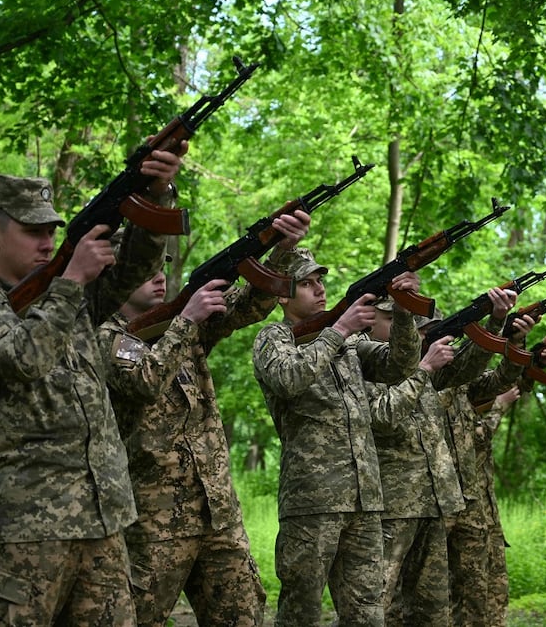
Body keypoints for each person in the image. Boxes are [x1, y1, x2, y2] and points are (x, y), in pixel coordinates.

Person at [0, 149, 185, 626]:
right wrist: (71, 278)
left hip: (103, 520)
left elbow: (136, 267)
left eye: (52, 232)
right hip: (27, 530)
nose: (48, 242)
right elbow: (24, 358)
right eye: (34, 231)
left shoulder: (71, 296)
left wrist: (155, 192)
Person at [98, 211, 310, 626]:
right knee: (137, 618)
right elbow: (144, 382)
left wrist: (282, 252)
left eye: (161, 268)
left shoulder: (183, 323)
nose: (159, 277)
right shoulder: (107, 335)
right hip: (155, 520)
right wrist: (186, 321)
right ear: (116, 275)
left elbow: (250, 304)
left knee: (242, 615)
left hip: (218, 513)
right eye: (146, 270)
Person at [251, 249, 426, 627]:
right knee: (301, 611)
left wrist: (404, 311)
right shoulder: (274, 337)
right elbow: (287, 378)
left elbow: (400, 366)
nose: (320, 289)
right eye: (307, 283)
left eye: (320, 281)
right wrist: (339, 330)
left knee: (367, 612)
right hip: (313, 498)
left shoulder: (349, 343)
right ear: (282, 296)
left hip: (365, 498)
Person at [368, 291, 521, 627]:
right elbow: (383, 417)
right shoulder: (368, 363)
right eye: (395, 320)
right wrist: (423, 368)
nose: (416, 334)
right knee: (379, 603)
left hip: (438, 500)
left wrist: (497, 324)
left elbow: (473, 367)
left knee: (433, 609)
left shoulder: (437, 373)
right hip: (392, 504)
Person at [440, 319, 541, 627]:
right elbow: (478, 438)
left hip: (476, 500)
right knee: (447, 594)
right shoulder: (431, 382)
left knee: (482, 589)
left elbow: (503, 380)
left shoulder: (462, 385)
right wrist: (498, 407)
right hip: (446, 501)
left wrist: (522, 349)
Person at [473, 339, 546, 627]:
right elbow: (476, 439)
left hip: (485, 505)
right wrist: (498, 407)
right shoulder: (448, 388)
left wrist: (534, 363)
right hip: (463, 506)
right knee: (470, 593)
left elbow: (509, 386)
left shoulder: (473, 387)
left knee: (495, 587)